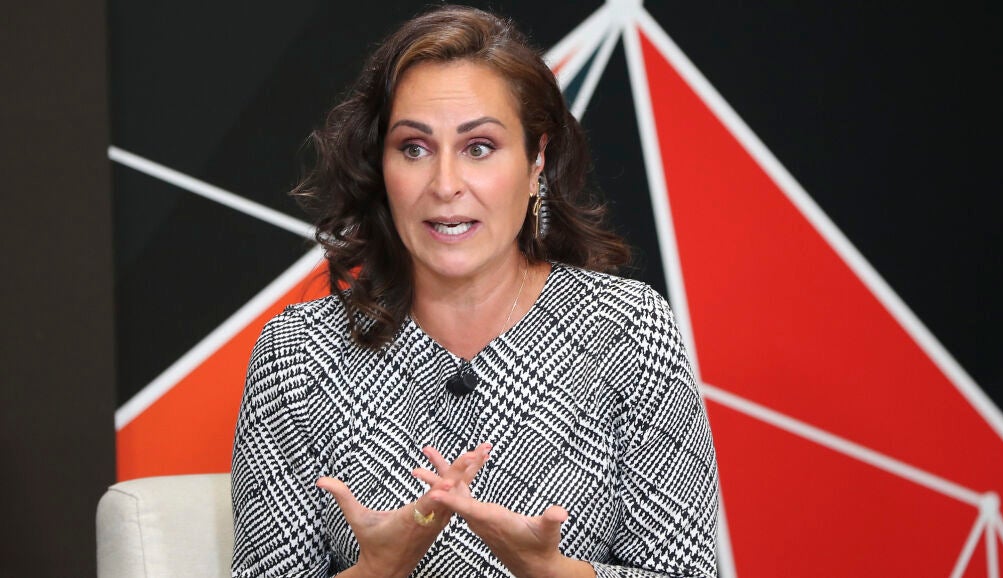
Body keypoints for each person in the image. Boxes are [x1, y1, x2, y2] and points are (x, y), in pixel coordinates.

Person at [231, 5, 718, 578]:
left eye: (479, 147)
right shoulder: (298, 354)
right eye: (414, 148)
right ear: (381, 168)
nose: (445, 185)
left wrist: (554, 574)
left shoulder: (628, 330)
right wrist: (376, 571)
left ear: (536, 161)